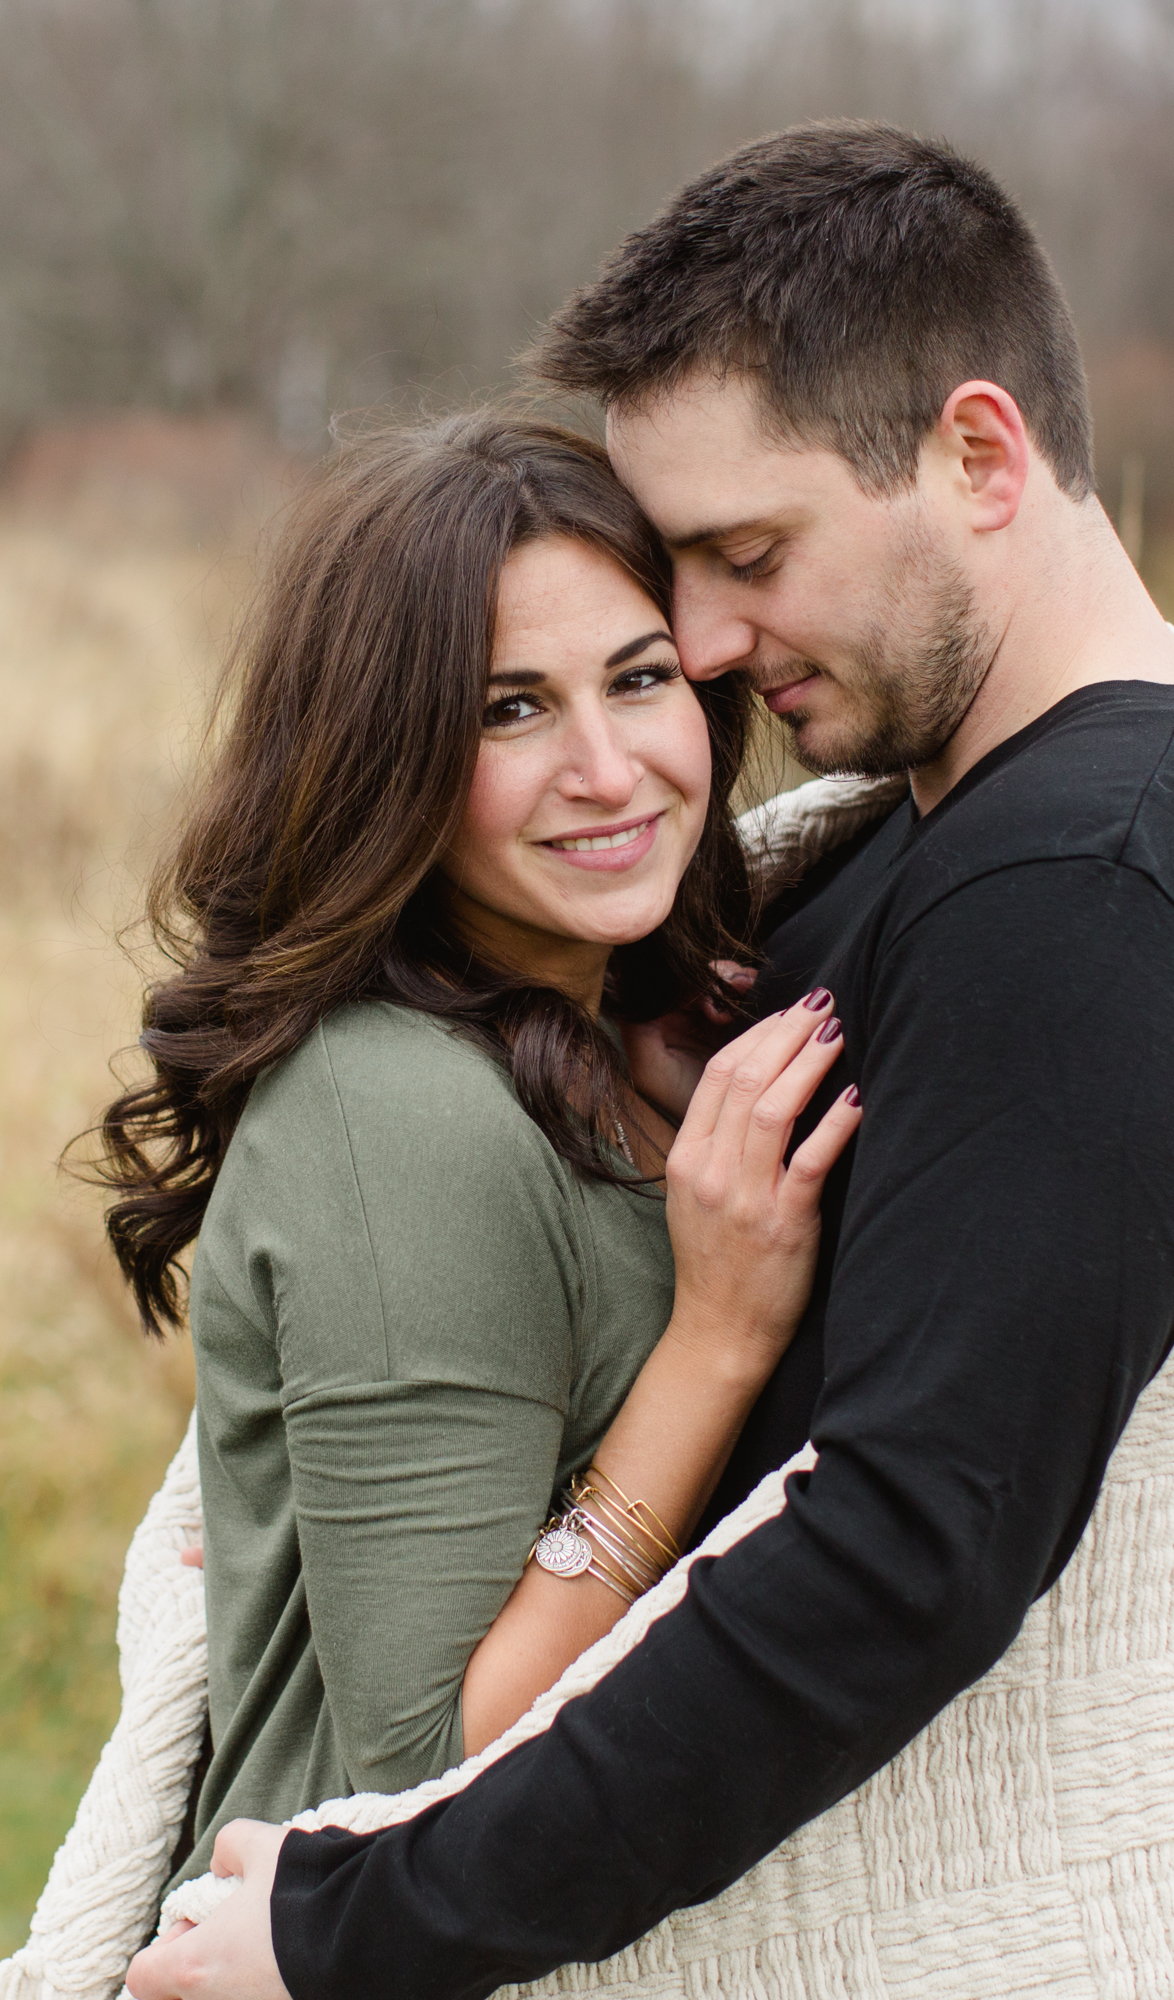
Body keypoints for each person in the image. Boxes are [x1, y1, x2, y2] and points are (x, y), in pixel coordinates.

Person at [126, 124, 1174, 2000]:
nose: (694, 646)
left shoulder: (1090, 868)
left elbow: (906, 1541)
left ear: (981, 455)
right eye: (519, 699)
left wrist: (358, 1924)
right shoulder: (904, 851)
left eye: (742, 556)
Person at [96, 414, 861, 1896]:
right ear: (390, 758)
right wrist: (714, 1341)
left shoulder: (591, 1044)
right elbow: (419, 1764)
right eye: (508, 710)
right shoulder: (397, 1113)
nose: (608, 767)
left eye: (639, 681)